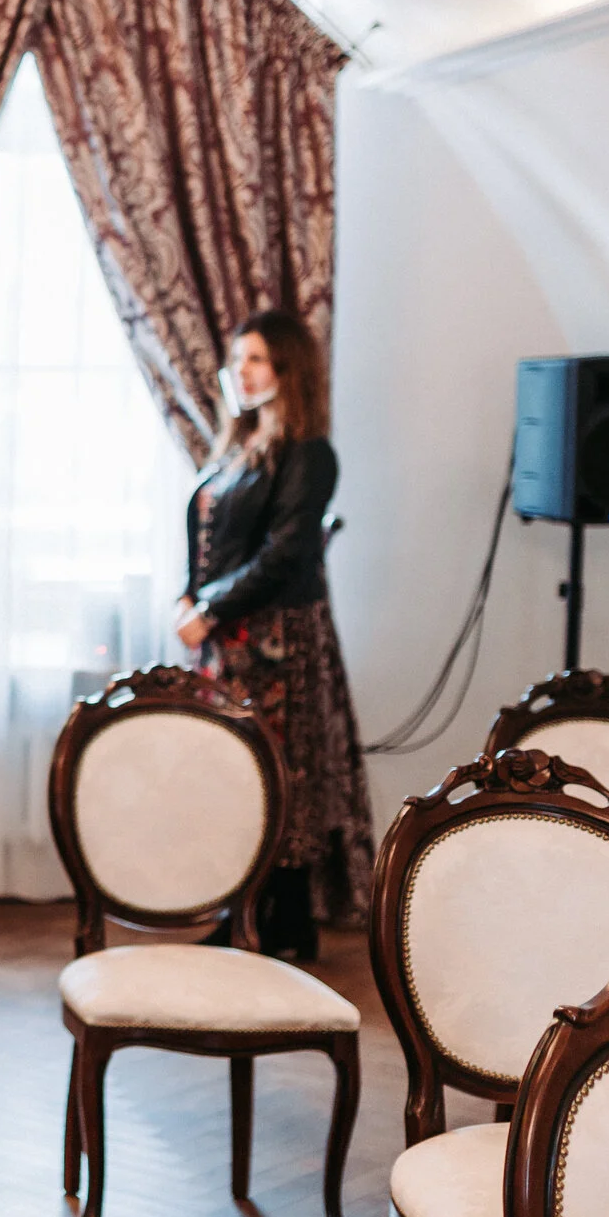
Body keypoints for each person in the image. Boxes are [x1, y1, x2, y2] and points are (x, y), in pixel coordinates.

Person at [173, 308, 376, 962]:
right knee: (237, 773)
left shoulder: (309, 454)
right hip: (230, 642)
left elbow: (286, 551)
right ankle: (261, 918)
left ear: (289, 368)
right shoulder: (237, 446)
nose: (243, 371)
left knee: (280, 777)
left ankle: (276, 919)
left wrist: (208, 607)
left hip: (277, 641)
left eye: (257, 359)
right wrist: (189, 596)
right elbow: (209, 537)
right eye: (239, 359)